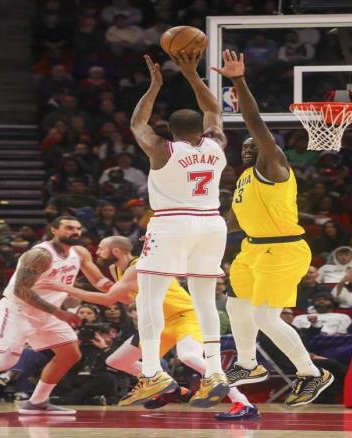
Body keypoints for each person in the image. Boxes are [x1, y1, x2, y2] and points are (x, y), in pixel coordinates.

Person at [212, 49, 333, 408]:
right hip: (252, 248)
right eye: (246, 146)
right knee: (236, 305)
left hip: (283, 248)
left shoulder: (274, 169)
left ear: (272, 150)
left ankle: (312, 373)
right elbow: (234, 223)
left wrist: (238, 81)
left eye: (257, 144)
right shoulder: (244, 180)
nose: (249, 146)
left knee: (265, 317)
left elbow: (255, 124)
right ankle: (248, 364)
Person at [41, 236, 258, 417]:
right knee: (116, 361)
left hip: (185, 316)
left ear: (116, 251)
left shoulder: (137, 268)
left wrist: (64, 287)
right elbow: (124, 297)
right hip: (158, 322)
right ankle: (172, 388)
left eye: (101, 248)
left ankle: (243, 402)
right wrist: (91, 273)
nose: (97, 251)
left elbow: (108, 300)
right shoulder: (117, 269)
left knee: (189, 357)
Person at [0, 216, 113, 416]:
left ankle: (37, 402)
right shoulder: (40, 255)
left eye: (78, 228)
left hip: (48, 313)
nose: (75, 232)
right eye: (69, 228)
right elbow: (21, 290)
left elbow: (99, 281)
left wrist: (122, 286)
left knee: (70, 354)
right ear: (54, 230)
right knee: (4, 361)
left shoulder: (80, 252)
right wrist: (59, 312)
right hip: (18, 310)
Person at [126, 51, 229, 406]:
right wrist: (191, 74)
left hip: (172, 222)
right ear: (201, 129)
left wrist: (154, 85)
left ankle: (151, 371)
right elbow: (213, 109)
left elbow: (137, 123)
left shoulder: (161, 149)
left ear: (169, 130)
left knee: (149, 298)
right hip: (211, 223)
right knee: (205, 300)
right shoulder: (216, 143)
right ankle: (215, 371)